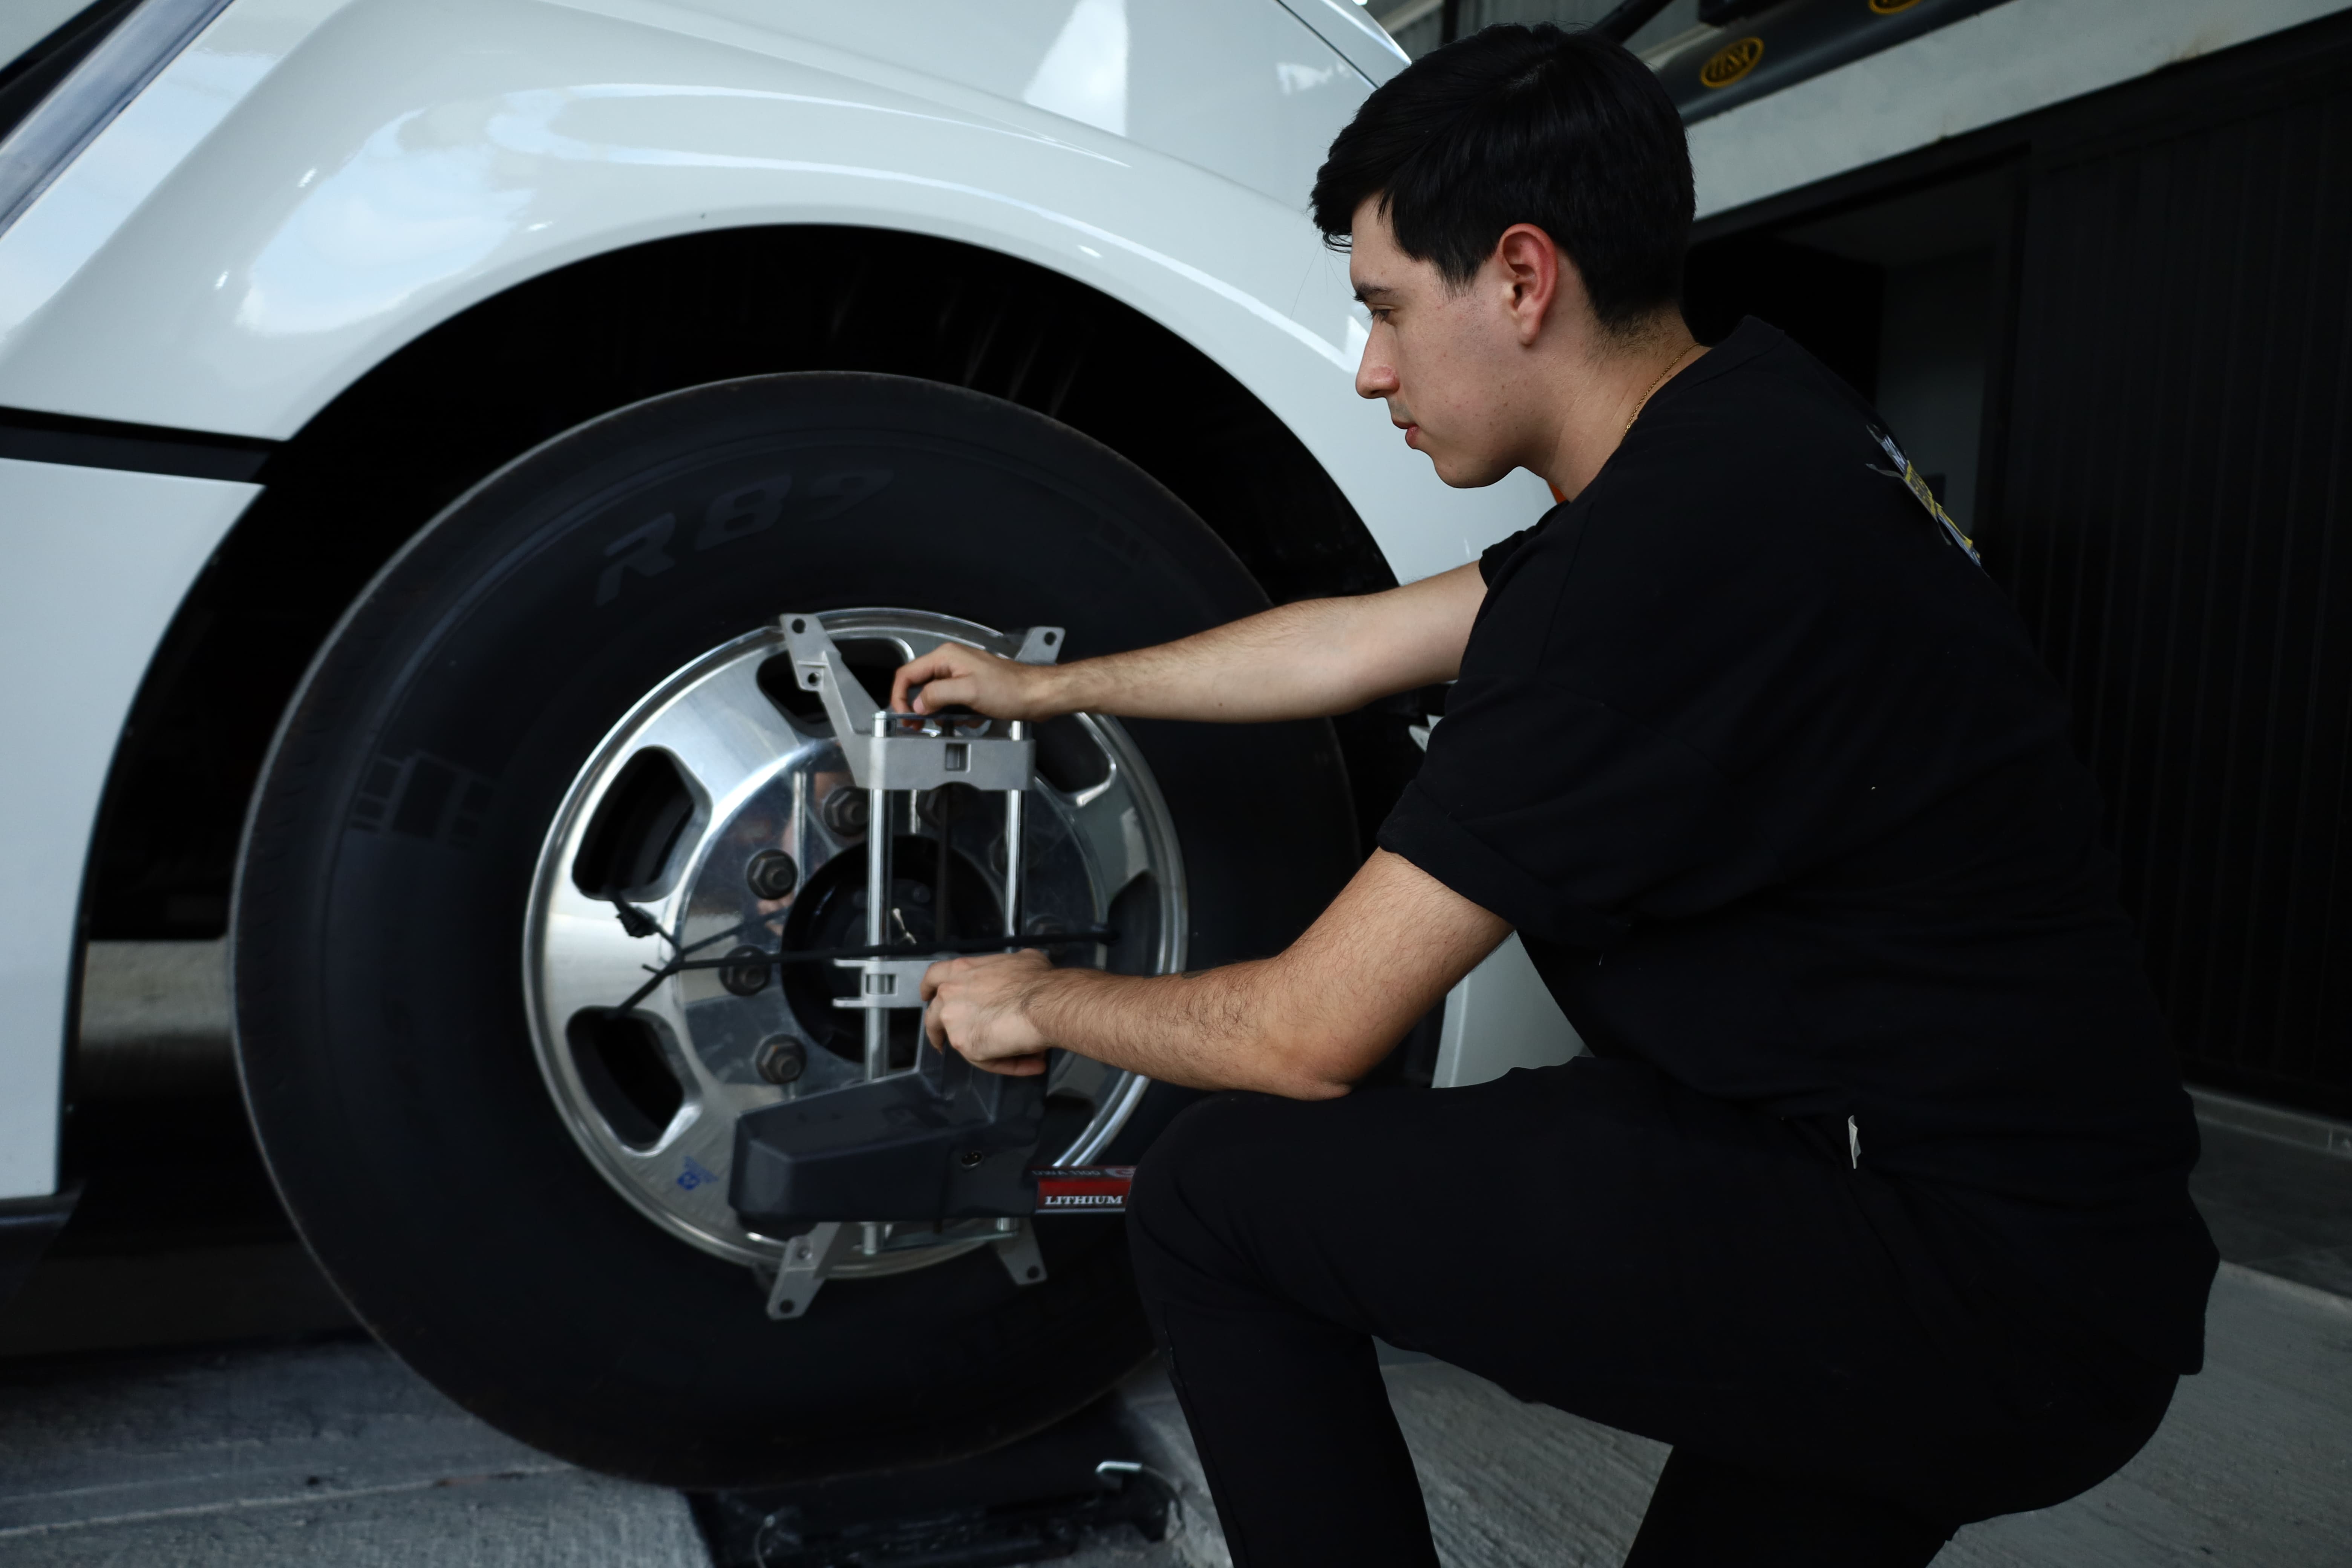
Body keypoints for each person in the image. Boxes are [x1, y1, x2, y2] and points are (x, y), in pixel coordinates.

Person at [896, 24, 2216, 1567]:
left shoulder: (1661, 565)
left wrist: (1039, 997)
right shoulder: (1757, 434)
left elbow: (1301, 1037)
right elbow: (1368, 638)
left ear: (1524, 276)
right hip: (2027, 1242)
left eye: (1386, 308)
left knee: (1216, 1194)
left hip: (1935, 1257)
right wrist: (1049, 686)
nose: (1371, 366)